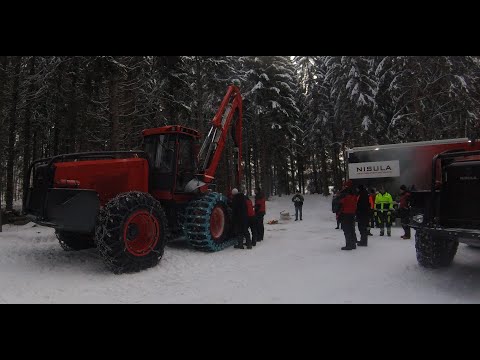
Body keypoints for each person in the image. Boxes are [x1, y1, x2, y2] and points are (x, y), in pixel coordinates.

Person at [339, 185, 358, 250]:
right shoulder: (354, 197)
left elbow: (340, 204)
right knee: (352, 230)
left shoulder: (345, 198)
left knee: (347, 231)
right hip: (352, 214)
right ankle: (353, 244)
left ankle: (348, 245)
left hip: (346, 215)